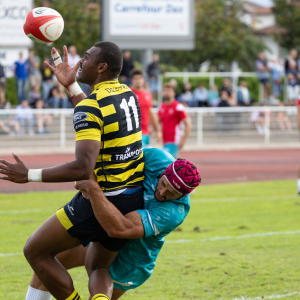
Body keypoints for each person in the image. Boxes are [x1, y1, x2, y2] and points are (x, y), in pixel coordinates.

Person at [0, 42, 144, 300]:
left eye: (86, 58)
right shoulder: (128, 94)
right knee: (98, 265)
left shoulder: (92, 106)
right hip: (130, 200)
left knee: (35, 251)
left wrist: (29, 174)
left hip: (100, 200)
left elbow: (82, 167)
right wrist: (71, 85)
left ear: (101, 67)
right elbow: (99, 112)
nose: (79, 63)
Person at [25, 148, 201, 300]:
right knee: (45, 265)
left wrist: (92, 187)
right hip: (109, 223)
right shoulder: (157, 157)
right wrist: (86, 170)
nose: (162, 193)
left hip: (132, 255)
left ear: (182, 196)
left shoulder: (173, 212)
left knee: (97, 287)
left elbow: (120, 228)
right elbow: (118, 160)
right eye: (163, 184)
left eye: (171, 194)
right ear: (164, 172)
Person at [158, 83, 191, 158]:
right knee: (171, 164)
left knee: (168, 162)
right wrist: (157, 131)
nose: (167, 93)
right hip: (165, 140)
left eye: (169, 91)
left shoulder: (178, 107)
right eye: (165, 91)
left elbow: (188, 125)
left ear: (174, 93)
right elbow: (158, 121)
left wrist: (183, 140)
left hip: (174, 139)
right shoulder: (161, 106)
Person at [130, 69, 161, 147]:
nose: (138, 81)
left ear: (143, 80)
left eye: (140, 78)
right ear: (132, 80)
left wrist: (157, 130)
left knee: (146, 158)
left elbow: (150, 113)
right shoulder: (128, 94)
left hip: (146, 133)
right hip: (134, 133)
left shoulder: (147, 95)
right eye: (136, 78)